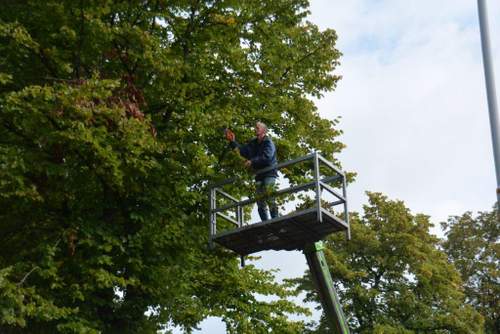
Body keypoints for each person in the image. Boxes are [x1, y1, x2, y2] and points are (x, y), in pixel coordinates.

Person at [225, 122, 279, 221]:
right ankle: (265, 223)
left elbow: (267, 157)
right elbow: (243, 151)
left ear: (264, 130)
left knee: (269, 195)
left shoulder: (268, 142)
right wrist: (232, 141)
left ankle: (276, 220)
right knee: (259, 200)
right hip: (259, 175)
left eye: (257, 128)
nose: (255, 129)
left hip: (269, 173)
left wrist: (252, 161)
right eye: (255, 127)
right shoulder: (253, 143)